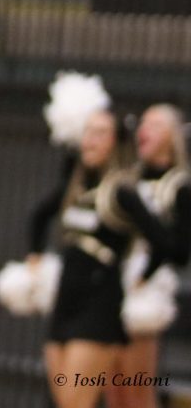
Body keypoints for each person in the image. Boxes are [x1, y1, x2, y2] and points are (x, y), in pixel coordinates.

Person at [30, 108, 173, 408]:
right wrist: (35, 256)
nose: (91, 140)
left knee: (76, 402)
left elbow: (165, 242)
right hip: (65, 302)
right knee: (61, 401)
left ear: (114, 142)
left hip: (98, 306)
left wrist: (143, 276)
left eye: (100, 133)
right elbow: (38, 217)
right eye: (88, 132)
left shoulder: (121, 191)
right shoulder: (75, 185)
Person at [108, 104, 191, 408]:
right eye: (143, 123)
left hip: (145, 286)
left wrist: (145, 274)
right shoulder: (126, 179)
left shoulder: (178, 186)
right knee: (112, 390)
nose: (144, 129)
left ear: (172, 136)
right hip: (112, 281)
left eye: (155, 124)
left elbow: (180, 251)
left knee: (136, 391)